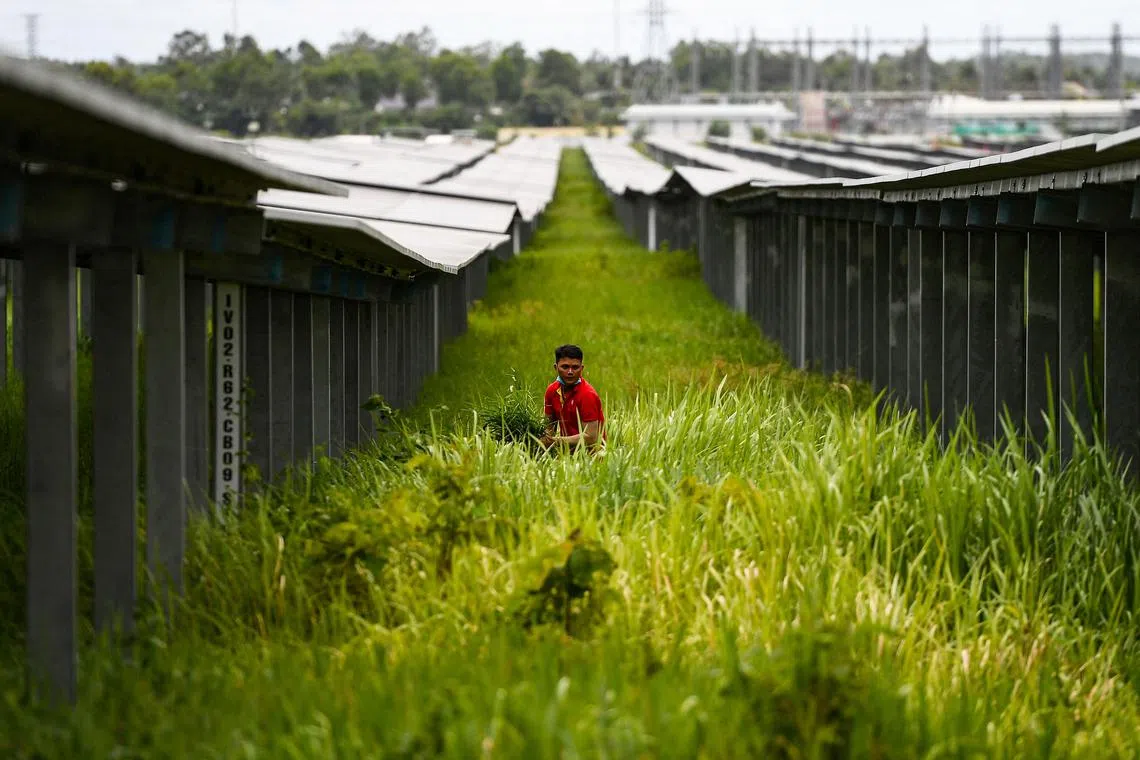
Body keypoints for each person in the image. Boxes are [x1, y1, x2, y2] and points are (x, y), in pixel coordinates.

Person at [539, 344, 605, 452]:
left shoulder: (587, 395)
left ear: (581, 368)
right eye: (565, 367)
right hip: (567, 454)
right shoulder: (551, 391)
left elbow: (591, 437)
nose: (570, 372)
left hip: (593, 456)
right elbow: (548, 428)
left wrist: (556, 441)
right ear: (556, 367)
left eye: (575, 367)